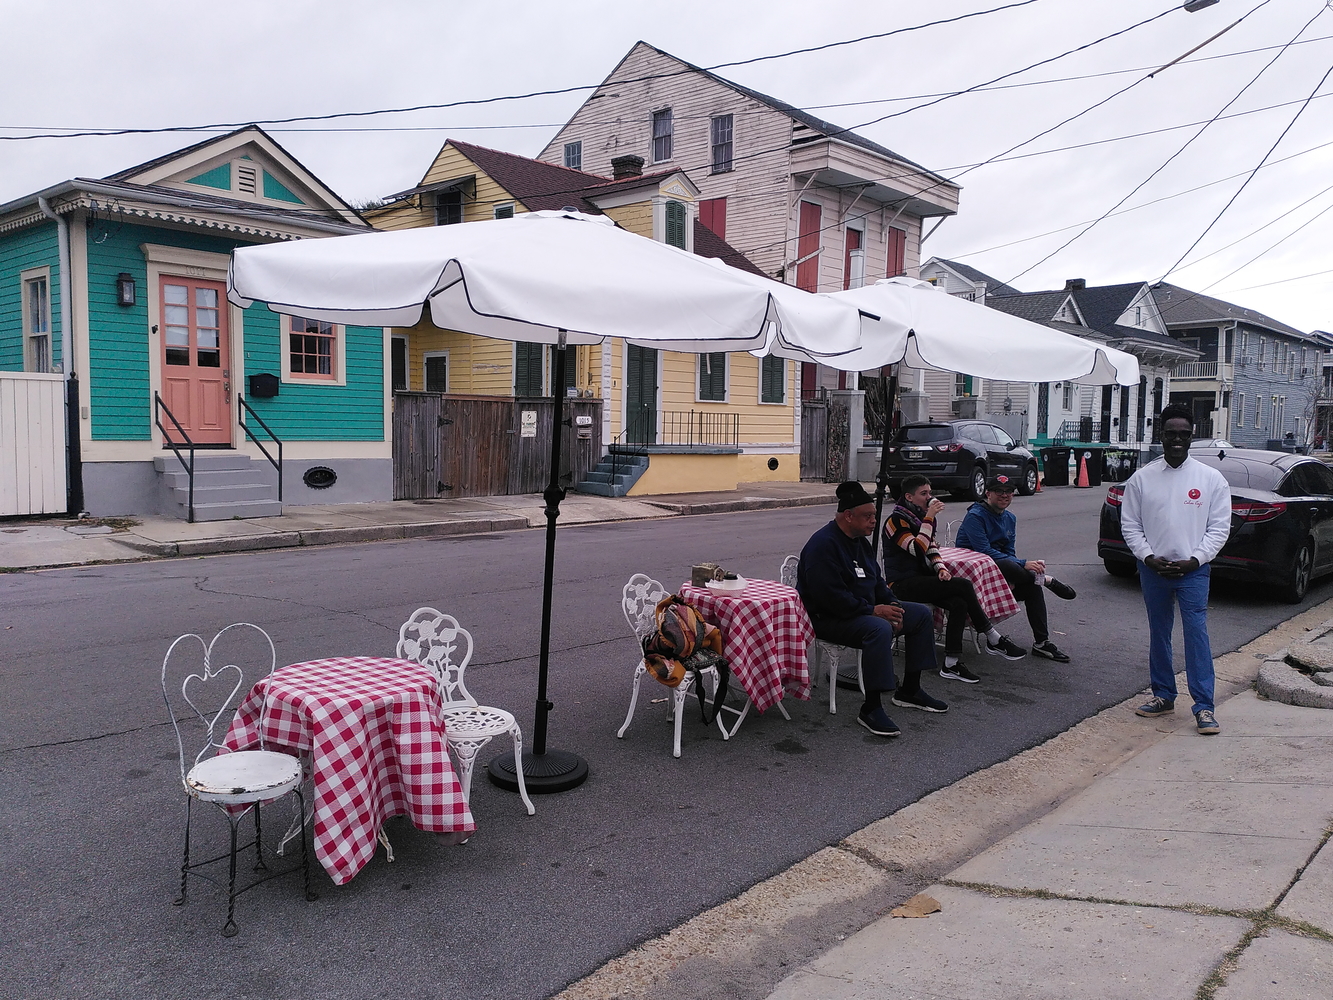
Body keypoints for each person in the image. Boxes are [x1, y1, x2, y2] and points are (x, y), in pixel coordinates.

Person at [796, 481, 946, 737]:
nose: (873, 521)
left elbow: (877, 582)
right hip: (827, 617)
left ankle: (909, 690)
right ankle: (871, 707)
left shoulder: (860, 542)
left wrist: (893, 605)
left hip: (861, 611)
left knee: (919, 614)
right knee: (878, 629)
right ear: (848, 516)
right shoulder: (823, 545)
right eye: (867, 516)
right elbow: (830, 598)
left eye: (874, 515)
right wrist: (874, 611)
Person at [1121, 405, 1231, 735]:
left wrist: (1195, 560)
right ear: (1161, 435)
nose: (1177, 440)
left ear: (1192, 436)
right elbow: (1131, 525)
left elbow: (1218, 528)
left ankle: (1204, 706)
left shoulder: (1211, 479)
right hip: (1153, 569)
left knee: (1196, 634)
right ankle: (1164, 695)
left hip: (1193, 571)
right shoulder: (1142, 479)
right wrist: (1147, 556)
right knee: (1159, 632)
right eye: (1171, 434)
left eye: (1184, 434)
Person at [882, 474, 1026, 684]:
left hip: (924, 579)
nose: (929, 497)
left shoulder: (922, 516)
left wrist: (940, 568)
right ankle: (992, 636)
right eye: (924, 494)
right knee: (964, 585)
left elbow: (931, 549)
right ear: (909, 497)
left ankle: (951, 663)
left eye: (930, 493)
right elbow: (917, 548)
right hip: (902, 584)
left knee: (959, 603)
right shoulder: (895, 521)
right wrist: (929, 517)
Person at [955, 474, 1076, 662]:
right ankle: (1046, 579)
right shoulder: (975, 516)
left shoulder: (1010, 518)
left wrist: (1014, 573)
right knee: (1008, 564)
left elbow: (1009, 551)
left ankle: (1042, 643)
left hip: (999, 575)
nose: (1005, 495)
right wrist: (1022, 564)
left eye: (1009, 492)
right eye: (999, 491)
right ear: (988, 493)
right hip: (975, 578)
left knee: (1032, 587)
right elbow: (984, 552)